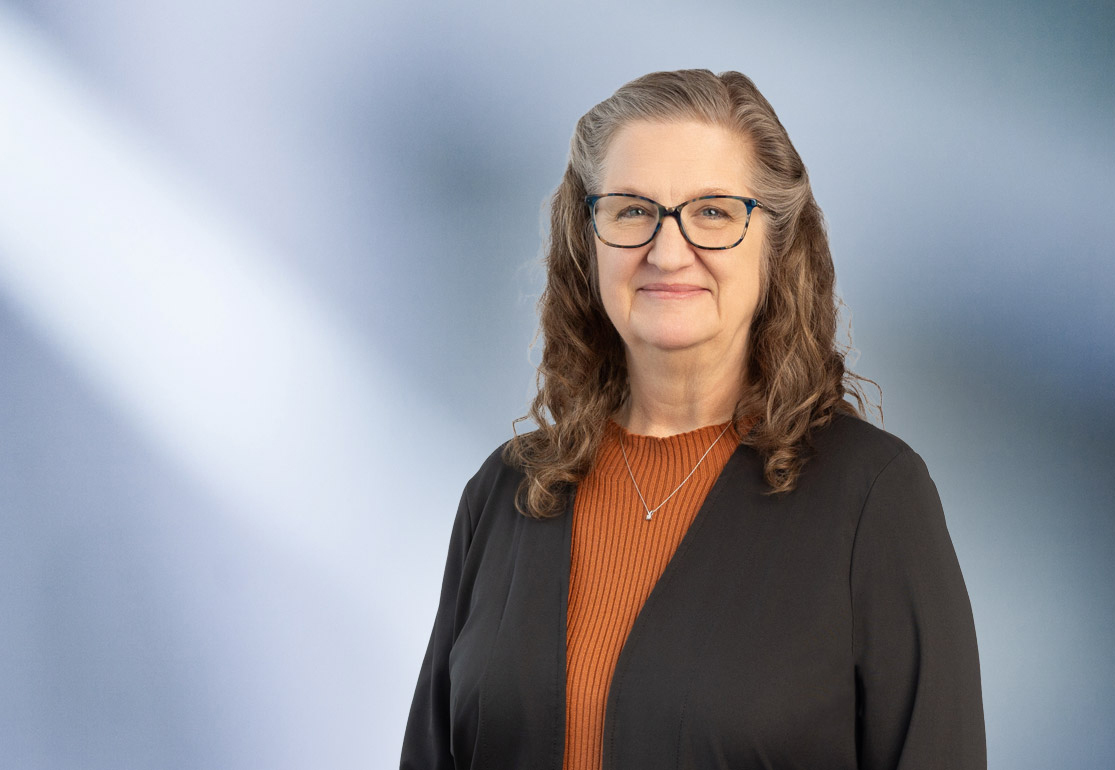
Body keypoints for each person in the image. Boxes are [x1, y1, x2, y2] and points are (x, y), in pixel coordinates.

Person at [399, 69, 985, 770]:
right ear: (587, 240)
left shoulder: (874, 500)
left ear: (775, 244)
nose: (667, 251)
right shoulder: (505, 494)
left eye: (712, 212)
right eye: (631, 210)